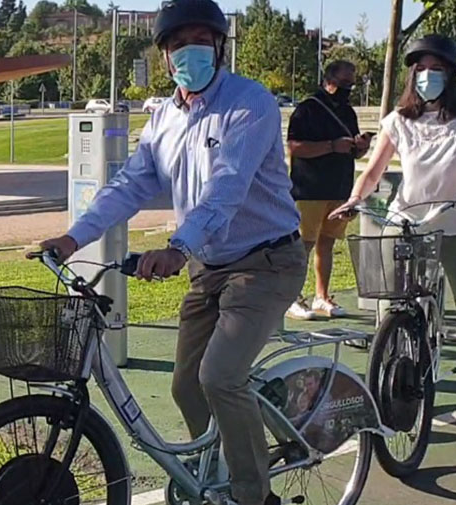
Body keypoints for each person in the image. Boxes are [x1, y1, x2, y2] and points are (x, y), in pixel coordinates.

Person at [37, 1, 307, 502]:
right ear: (164, 56)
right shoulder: (164, 118)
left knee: (221, 377)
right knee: (187, 386)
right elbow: (129, 186)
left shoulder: (251, 104)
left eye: (200, 39)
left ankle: (253, 495)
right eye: (177, 43)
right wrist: (74, 237)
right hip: (210, 266)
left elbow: (226, 188)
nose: (190, 51)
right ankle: (221, 467)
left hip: (267, 262)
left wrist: (179, 247)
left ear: (221, 46)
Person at [330, 34, 456, 433]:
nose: (428, 76)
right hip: (407, 223)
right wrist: (354, 198)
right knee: (389, 308)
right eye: (422, 69)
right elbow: (374, 170)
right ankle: (386, 387)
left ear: (451, 74)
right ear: (412, 74)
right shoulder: (398, 121)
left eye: (437, 69)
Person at [285, 60, 372, 320]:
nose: (348, 88)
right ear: (329, 80)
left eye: (352, 84)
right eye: (344, 83)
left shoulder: (348, 112)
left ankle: (322, 296)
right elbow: (294, 147)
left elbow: (351, 149)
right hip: (309, 188)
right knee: (304, 245)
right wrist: (332, 146)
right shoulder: (307, 109)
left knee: (328, 243)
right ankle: (292, 297)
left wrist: (360, 146)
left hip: (339, 186)